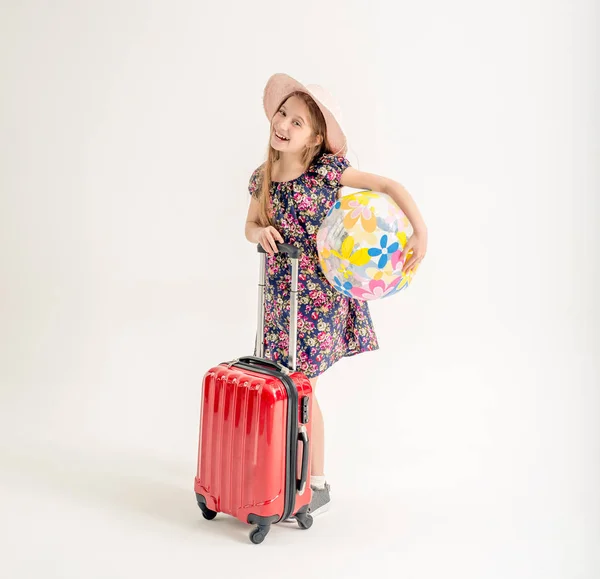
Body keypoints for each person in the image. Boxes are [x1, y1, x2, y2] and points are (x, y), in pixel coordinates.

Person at [244, 73, 428, 518]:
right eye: (283, 113)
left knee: (302, 387)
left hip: (317, 300)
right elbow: (249, 225)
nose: (284, 124)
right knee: (279, 380)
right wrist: (260, 232)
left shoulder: (327, 172)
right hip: (279, 296)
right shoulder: (262, 176)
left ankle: (316, 482)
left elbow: (388, 187)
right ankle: (282, 472)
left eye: (298, 122)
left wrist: (419, 231)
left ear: (315, 138)